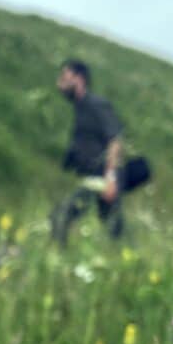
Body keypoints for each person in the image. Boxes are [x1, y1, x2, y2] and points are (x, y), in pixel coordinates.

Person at [50, 59, 126, 246]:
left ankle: (59, 260)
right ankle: (122, 258)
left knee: (61, 216)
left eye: (65, 78)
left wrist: (110, 179)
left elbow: (115, 140)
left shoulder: (96, 104)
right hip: (93, 176)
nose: (60, 84)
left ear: (79, 79)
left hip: (102, 177)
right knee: (111, 228)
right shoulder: (81, 107)